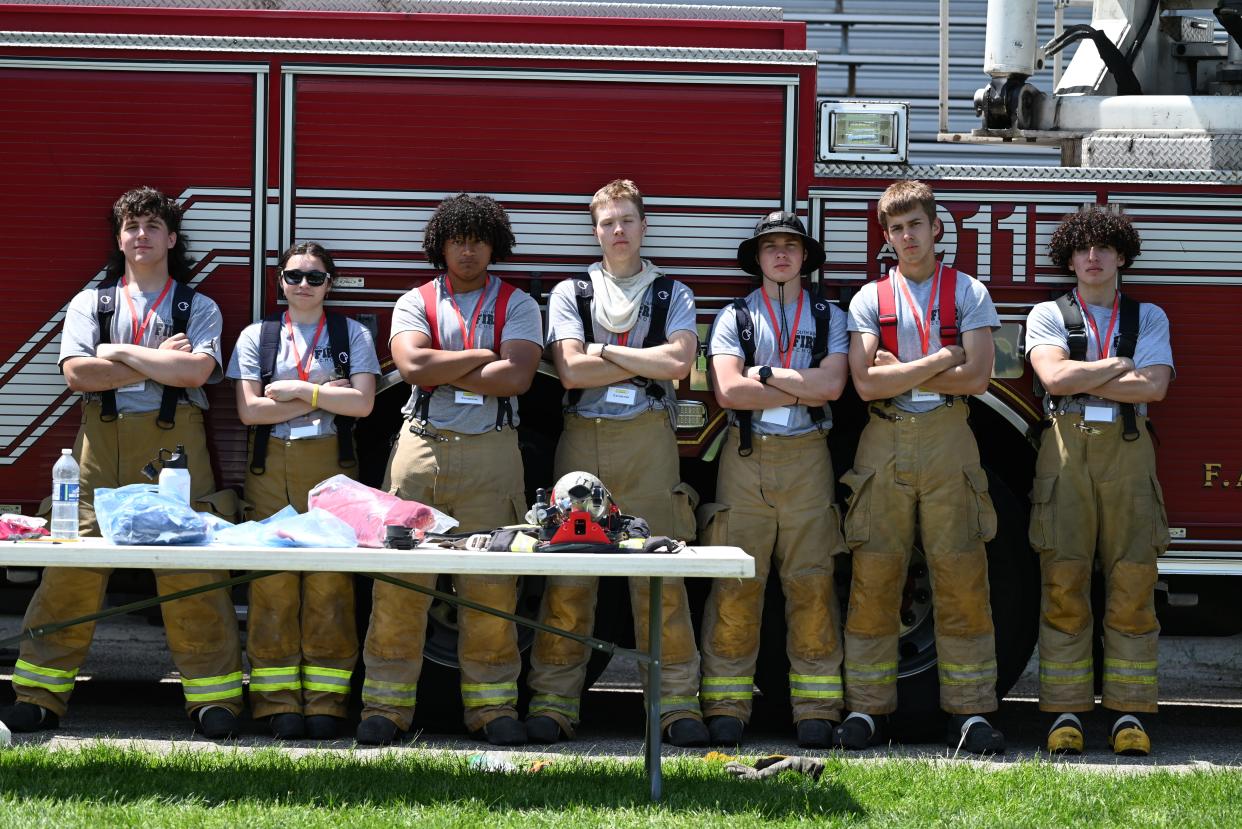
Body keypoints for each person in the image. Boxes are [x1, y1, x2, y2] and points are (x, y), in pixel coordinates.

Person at [0, 186, 244, 738]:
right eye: (131, 227)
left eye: (152, 226)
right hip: (99, 448)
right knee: (71, 571)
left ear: (172, 238)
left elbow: (195, 375)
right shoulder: (93, 303)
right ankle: (38, 697)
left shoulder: (198, 306)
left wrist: (118, 353)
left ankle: (214, 701)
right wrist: (157, 362)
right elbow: (77, 376)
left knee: (192, 572)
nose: (141, 235)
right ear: (119, 239)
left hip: (175, 451)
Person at [525, 179, 707, 747]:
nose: (618, 231)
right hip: (582, 443)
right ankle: (554, 706)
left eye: (627, 219)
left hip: (649, 442)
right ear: (595, 229)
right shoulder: (569, 291)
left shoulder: (672, 291)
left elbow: (678, 363)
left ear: (644, 226)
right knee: (568, 580)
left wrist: (603, 349)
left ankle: (676, 709)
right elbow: (571, 372)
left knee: (660, 579)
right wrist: (637, 361)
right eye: (608, 222)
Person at [356, 194, 542, 747]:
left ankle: (493, 711)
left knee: (491, 587)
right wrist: (485, 354)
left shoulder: (520, 303)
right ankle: (383, 710)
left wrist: (445, 364)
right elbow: (412, 365)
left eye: (478, 239)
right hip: (422, 451)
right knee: (399, 586)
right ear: (440, 243)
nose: (467, 250)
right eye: (457, 239)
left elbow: (518, 380)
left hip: (493, 452)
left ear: (495, 246)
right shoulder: (414, 300)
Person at [836, 180, 1005, 754]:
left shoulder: (969, 292)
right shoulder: (868, 299)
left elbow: (978, 378)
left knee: (961, 579)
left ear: (938, 228)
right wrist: (938, 359)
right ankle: (866, 711)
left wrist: (900, 368)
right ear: (887, 238)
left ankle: (973, 712)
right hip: (883, 440)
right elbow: (863, 383)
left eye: (917, 225)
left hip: (948, 439)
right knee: (874, 580)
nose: (908, 237)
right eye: (896, 229)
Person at [699, 212, 850, 748]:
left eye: (791, 246)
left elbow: (833, 386)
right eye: (770, 247)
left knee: (811, 582)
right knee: (736, 585)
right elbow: (728, 392)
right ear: (758, 258)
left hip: (808, 458)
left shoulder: (832, 315)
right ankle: (724, 704)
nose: (781, 255)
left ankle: (816, 707)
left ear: (805, 256)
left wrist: (765, 374)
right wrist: (797, 386)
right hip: (747, 458)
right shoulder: (733, 316)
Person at [1026, 208, 1172, 756]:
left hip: (1129, 455)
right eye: (1082, 249)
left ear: (1121, 257)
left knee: (1133, 583)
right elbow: (1054, 377)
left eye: (1104, 248)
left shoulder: (1150, 315)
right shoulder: (1047, 313)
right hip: (1065, 454)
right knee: (1063, 581)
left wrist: (1088, 374)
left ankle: (1128, 714)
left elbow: (1155, 389)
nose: (1092, 258)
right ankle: (1065, 712)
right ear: (1068, 258)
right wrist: (1120, 365)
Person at [227, 242, 379, 740]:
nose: (303, 286)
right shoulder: (257, 337)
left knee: (330, 586)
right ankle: (275, 704)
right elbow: (251, 412)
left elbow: (361, 404)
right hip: (270, 467)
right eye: (294, 276)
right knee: (271, 584)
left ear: (330, 284)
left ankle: (327, 703)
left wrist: (296, 391)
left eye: (315, 278)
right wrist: (323, 398)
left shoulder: (351, 334)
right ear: (280, 282)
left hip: (331, 469)